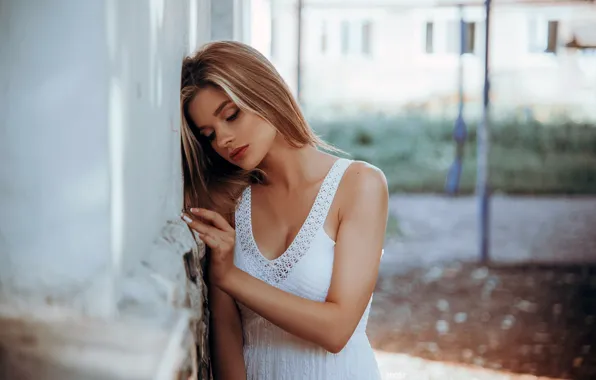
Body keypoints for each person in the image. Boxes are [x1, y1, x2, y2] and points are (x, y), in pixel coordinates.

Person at [179, 41, 387, 380]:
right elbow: (228, 335)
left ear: (264, 92)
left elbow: (336, 330)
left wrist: (232, 279)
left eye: (231, 115)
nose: (224, 140)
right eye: (209, 135)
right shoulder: (226, 202)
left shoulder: (359, 186)